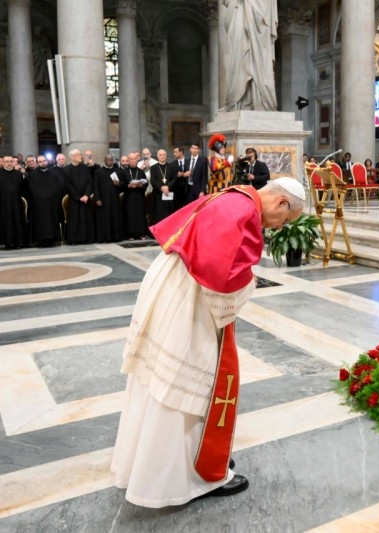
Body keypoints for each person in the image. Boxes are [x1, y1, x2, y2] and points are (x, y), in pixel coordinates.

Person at [111, 177, 305, 508]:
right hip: (189, 299)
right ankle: (183, 477)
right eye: (284, 219)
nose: (278, 226)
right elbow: (221, 276)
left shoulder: (234, 197)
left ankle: (186, 459)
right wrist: (249, 284)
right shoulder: (244, 210)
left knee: (162, 380)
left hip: (177, 284)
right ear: (281, 202)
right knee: (186, 380)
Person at [220, 0, 278, 111]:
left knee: (259, 56)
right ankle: (238, 101)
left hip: (258, 14)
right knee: (238, 53)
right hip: (239, 11)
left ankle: (262, 101)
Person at [28, 155, 63, 247]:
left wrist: (50, 196)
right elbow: (32, 188)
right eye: (40, 161)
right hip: (39, 204)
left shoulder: (53, 173)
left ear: (46, 161)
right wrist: (41, 196)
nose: (42, 163)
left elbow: (57, 187)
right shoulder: (33, 174)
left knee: (52, 221)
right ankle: (41, 241)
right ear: (37, 163)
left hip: (51, 203)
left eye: (44, 161)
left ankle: (52, 240)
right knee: (40, 222)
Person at [64, 149, 95, 245]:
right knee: (75, 219)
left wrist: (86, 195)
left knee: (86, 218)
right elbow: (68, 186)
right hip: (75, 200)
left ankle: (86, 238)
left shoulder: (85, 168)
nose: (80, 156)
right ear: (72, 157)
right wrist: (78, 197)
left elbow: (90, 182)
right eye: (78, 155)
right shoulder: (67, 169)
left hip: (85, 199)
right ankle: (74, 239)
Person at [94, 154, 124, 243]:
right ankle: (105, 237)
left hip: (115, 199)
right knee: (105, 218)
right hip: (103, 200)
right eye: (108, 160)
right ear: (104, 160)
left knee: (115, 217)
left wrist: (119, 183)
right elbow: (96, 187)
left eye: (111, 160)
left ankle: (115, 237)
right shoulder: (98, 172)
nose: (110, 162)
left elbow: (123, 185)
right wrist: (97, 199)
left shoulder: (117, 171)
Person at [122, 152, 150, 240]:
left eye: (135, 159)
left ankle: (142, 233)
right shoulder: (124, 172)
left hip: (139, 196)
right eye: (131, 159)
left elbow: (146, 183)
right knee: (130, 215)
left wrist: (141, 185)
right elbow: (121, 184)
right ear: (128, 161)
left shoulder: (141, 171)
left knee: (140, 215)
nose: (133, 161)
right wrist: (128, 186)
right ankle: (130, 234)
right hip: (129, 197)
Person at [0, 155, 26, 250]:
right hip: (3, 204)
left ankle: (18, 242)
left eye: (11, 161)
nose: (9, 163)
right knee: (6, 222)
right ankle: (7, 243)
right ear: (3, 162)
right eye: (7, 161)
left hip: (16, 203)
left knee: (17, 221)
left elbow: (22, 188)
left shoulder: (18, 174)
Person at [150, 149, 173, 225]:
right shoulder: (153, 167)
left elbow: (174, 179)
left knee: (168, 213)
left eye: (164, 155)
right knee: (158, 213)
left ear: (166, 156)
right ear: (157, 156)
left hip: (168, 193)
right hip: (158, 194)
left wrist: (168, 186)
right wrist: (161, 187)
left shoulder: (171, 166)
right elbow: (153, 180)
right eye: (160, 155)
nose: (162, 156)